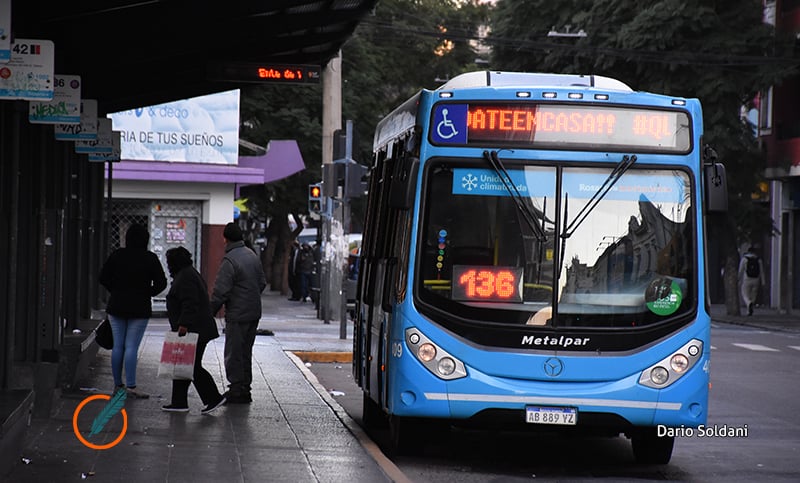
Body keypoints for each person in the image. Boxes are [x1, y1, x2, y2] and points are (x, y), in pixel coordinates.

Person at [99, 223, 167, 398]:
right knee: (131, 346)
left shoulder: (117, 255)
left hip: (116, 306)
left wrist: (115, 290)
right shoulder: (150, 258)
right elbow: (162, 283)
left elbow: (103, 277)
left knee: (118, 346)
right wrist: (147, 293)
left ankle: (117, 385)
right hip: (139, 307)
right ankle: (131, 386)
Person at [161, 247, 226, 414]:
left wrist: (183, 324)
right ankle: (179, 402)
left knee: (192, 366)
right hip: (197, 328)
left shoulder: (185, 277)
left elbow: (190, 303)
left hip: (194, 329)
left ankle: (213, 397)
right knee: (183, 364)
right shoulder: (188, 273)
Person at [210, 222, 267, 403]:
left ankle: (236, 389)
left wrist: (210, 311)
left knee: (234, 352)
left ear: (225, 238)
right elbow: (262, 283)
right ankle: (245, 389)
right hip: (253, 313)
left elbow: (221, 291)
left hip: (237, 314)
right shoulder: (252, 255)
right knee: (245, 352)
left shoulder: (230, 259)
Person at [738, 246, 764, 316]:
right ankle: (749, 308)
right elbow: (761, 271)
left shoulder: (744, 259)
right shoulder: (758, 259)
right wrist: (763, 281)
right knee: (753, 294)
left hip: (747, 279)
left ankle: (748, 303)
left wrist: (738, 278)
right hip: (756, 279)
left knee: (744, 293)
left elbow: (741, 270)